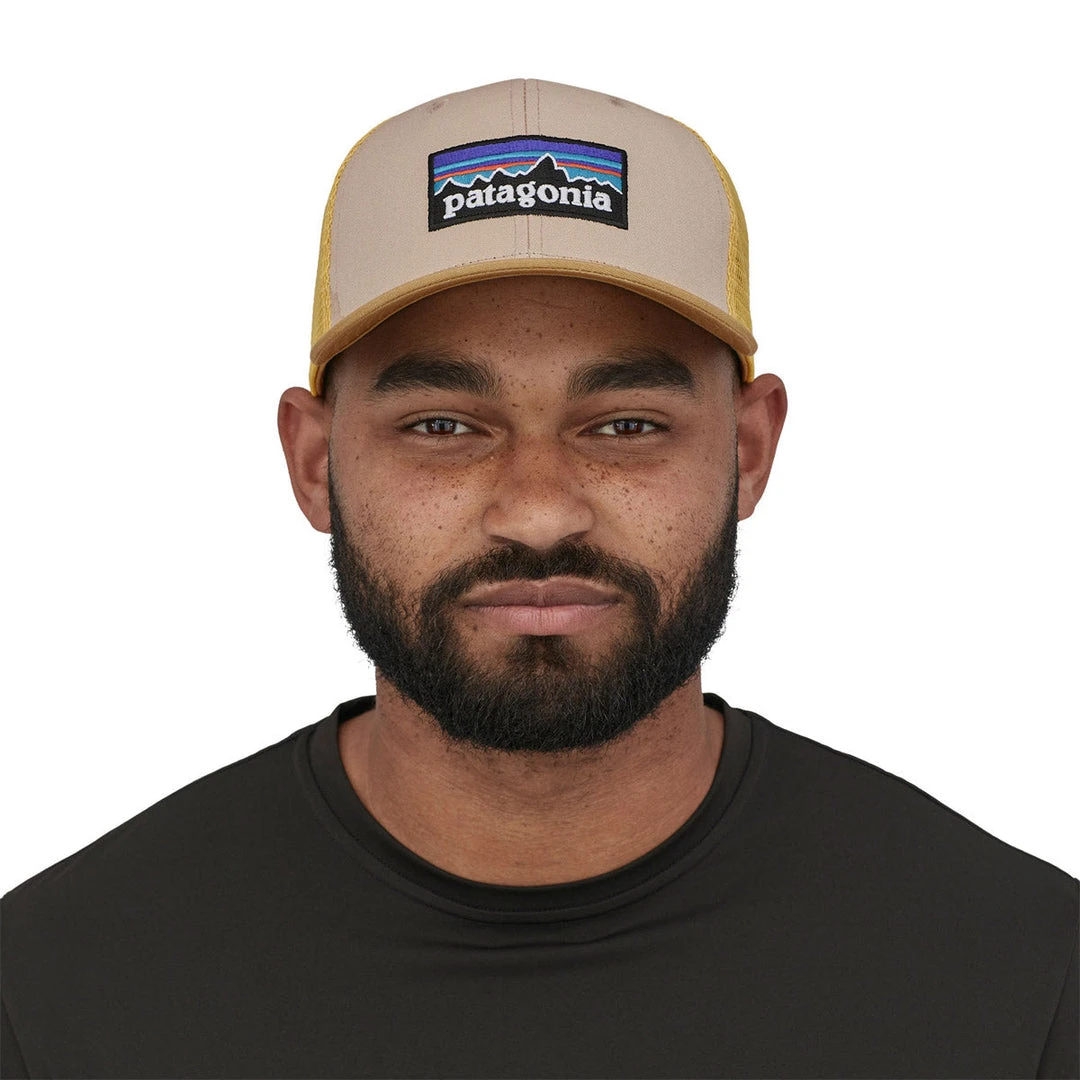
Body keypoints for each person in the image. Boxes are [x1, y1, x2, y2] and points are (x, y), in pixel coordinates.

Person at [1, 78, 1075, 1080]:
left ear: (748, 452)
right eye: (441, 426)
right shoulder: (54, 994)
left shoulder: (1023, 977)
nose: (539, 509)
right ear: (315, 463)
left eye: (626, 425)